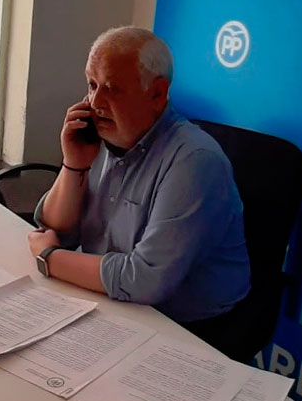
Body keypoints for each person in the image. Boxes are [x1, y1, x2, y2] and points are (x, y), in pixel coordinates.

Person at [27, 26, 251, 354]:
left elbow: (145, 280)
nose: (95, 103)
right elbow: (56, 230)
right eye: (91, 85)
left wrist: (50, 258)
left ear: (157, 94)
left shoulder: (194, 161)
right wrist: (73, 164)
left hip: (187, 327)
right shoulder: (101, 137)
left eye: (112, 89)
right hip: (115, 302)